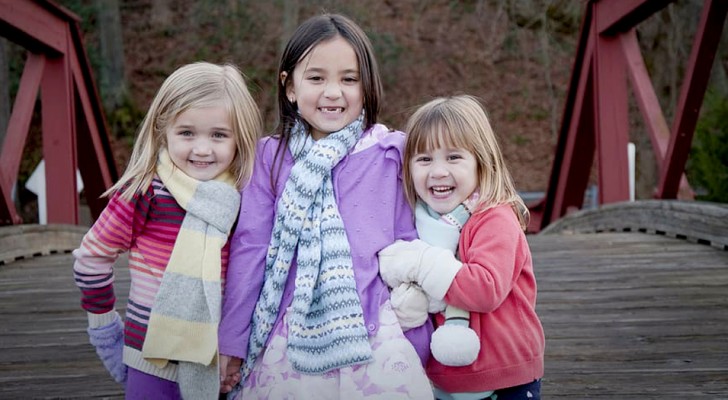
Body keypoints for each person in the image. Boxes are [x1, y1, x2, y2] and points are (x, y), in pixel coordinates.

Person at [217, 13, 433, 400]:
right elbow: (251, 250)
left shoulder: (390, 152)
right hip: (290, 331)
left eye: (349, 79)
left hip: (374, 330)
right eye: (316, 78)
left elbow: (413, 243)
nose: (333, 92)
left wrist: (422, 334)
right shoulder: (269, 158)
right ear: (290, 87)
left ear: (366, 87)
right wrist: (232, 342)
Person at [72, 62, 262, 399]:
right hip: (151, 358)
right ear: (164, 131)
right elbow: (92, 257)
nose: (202, 149)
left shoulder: (246, 198)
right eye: (187, 133)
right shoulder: (145, 192)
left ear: (240, 138)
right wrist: (104, 327)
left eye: (218, 135)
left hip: (220, 361)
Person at [378, 95, 545, 400]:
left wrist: (421, 263)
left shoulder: (494, 217)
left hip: (505, 376)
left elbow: (485, 289)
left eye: (453, 157)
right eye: (424, 159)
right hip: (444, 377)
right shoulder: (419, 222)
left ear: (482, 162)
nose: (438, 171)